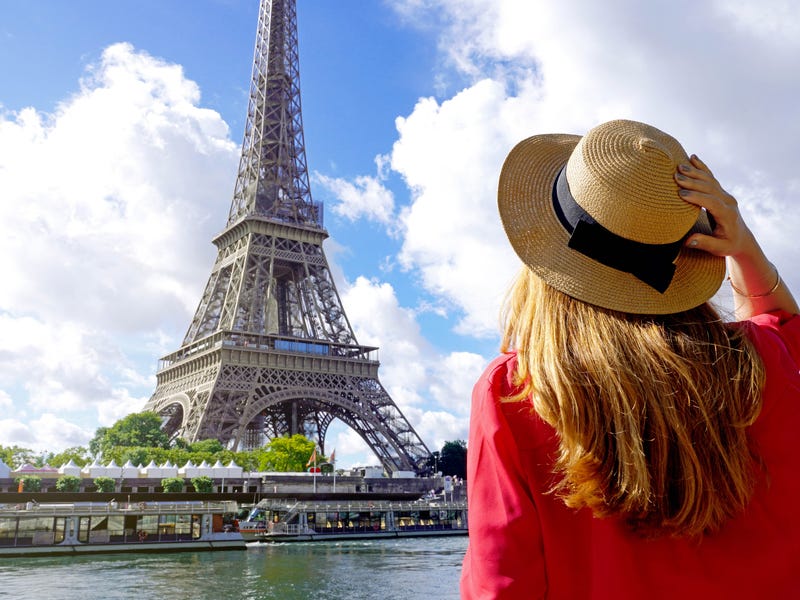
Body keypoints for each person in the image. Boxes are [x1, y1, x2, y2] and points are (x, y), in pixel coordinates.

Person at [460, 119, 800, 599]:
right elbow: (785, 327)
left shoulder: (515, 393)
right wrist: (745, 248)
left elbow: (502, 585)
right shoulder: (760, 363)